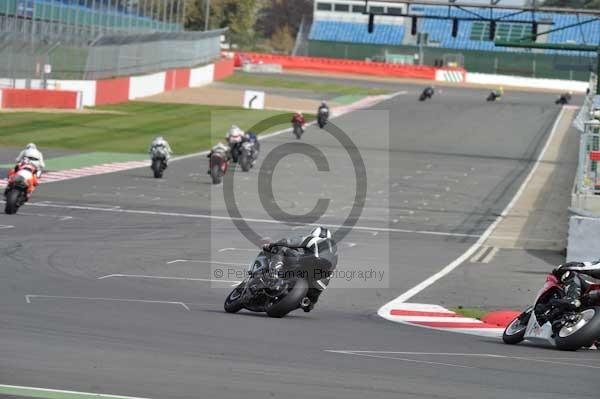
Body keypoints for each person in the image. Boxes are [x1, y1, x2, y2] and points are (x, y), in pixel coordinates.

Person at [263, 227, 337, 312]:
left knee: (281, 248)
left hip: (310, 262)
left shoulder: (314, 239)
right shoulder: (334, 250)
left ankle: (274, 273)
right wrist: (311, 302)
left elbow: (290, 242)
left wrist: (272, 244)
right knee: (309, 304)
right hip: (322, 280)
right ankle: (305, 301)